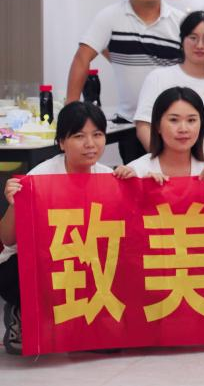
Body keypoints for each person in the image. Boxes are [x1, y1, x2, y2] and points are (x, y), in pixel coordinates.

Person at [0, 102, 133, 354]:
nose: (90, 144)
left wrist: (132, 186)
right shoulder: (40, 178)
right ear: (62, 142)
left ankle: (86, 321)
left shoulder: (109, 178)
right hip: (37, 264)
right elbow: (6, 239)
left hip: (86, 265)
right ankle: (21, 311)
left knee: (110, 341)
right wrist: (15, 205)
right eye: (79, 136)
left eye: (97, 134)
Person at [66, 0, 183, 148]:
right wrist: (70, 109)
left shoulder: (180, 21)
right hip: (129, 122)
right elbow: (82, 58)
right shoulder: (110, 16)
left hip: (174, 122)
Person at [135, 11, 204, 162]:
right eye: (193, 38)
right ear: (182, 40)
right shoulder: (159, 77)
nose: (200, 45)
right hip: (167, 164)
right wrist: (164, 161)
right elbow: (143, 126)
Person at [120, 87, 204, 181]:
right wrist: (143, 189)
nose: (183, 129)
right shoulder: (137, 170)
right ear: (157, 126)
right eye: (174, 120)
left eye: (191, 120)